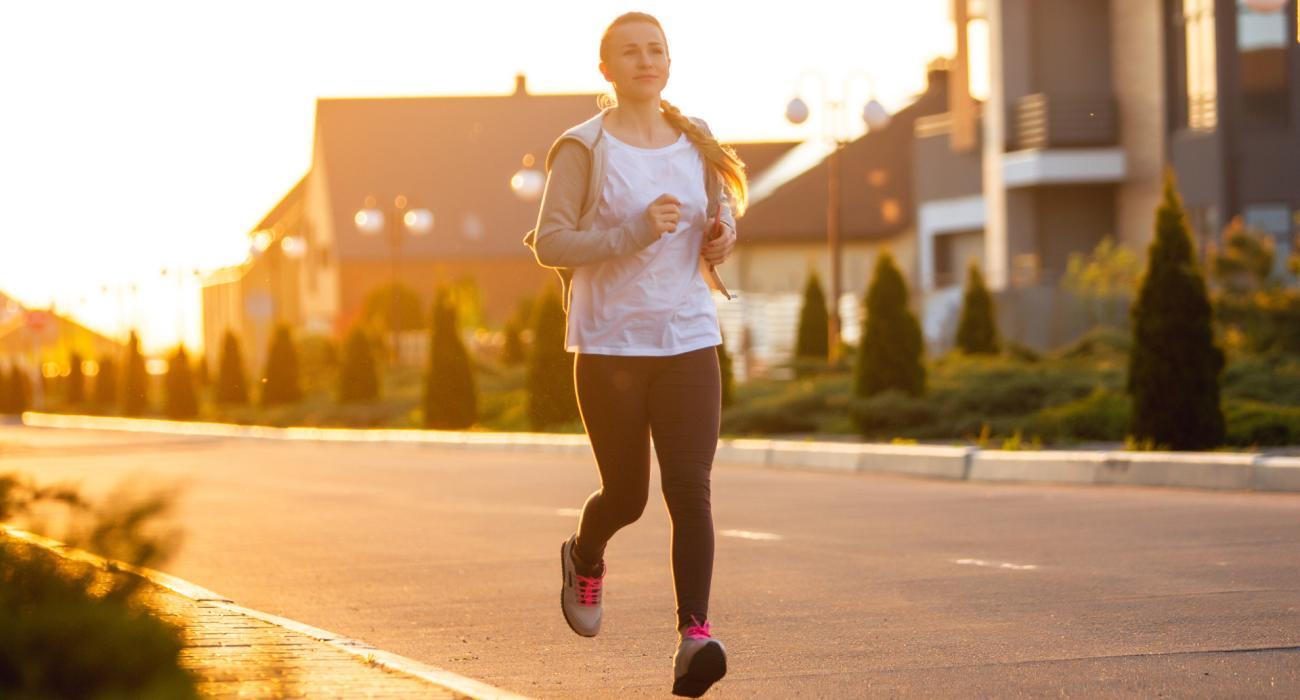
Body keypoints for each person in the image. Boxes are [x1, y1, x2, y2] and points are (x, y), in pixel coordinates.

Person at [521, 11, 746, 698]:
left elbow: (720, 221)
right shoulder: (583, 148)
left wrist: (721, 238)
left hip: (687, 338)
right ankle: (585, 554)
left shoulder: (695, 139)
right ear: (606, 69)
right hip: (610, 344)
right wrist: (632, 232)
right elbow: (550, 242)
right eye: (630, 52)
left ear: (669, 64)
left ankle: (694, 637)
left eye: (656, 50)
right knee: (627, 495)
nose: (646, 60)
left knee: (691, 489)